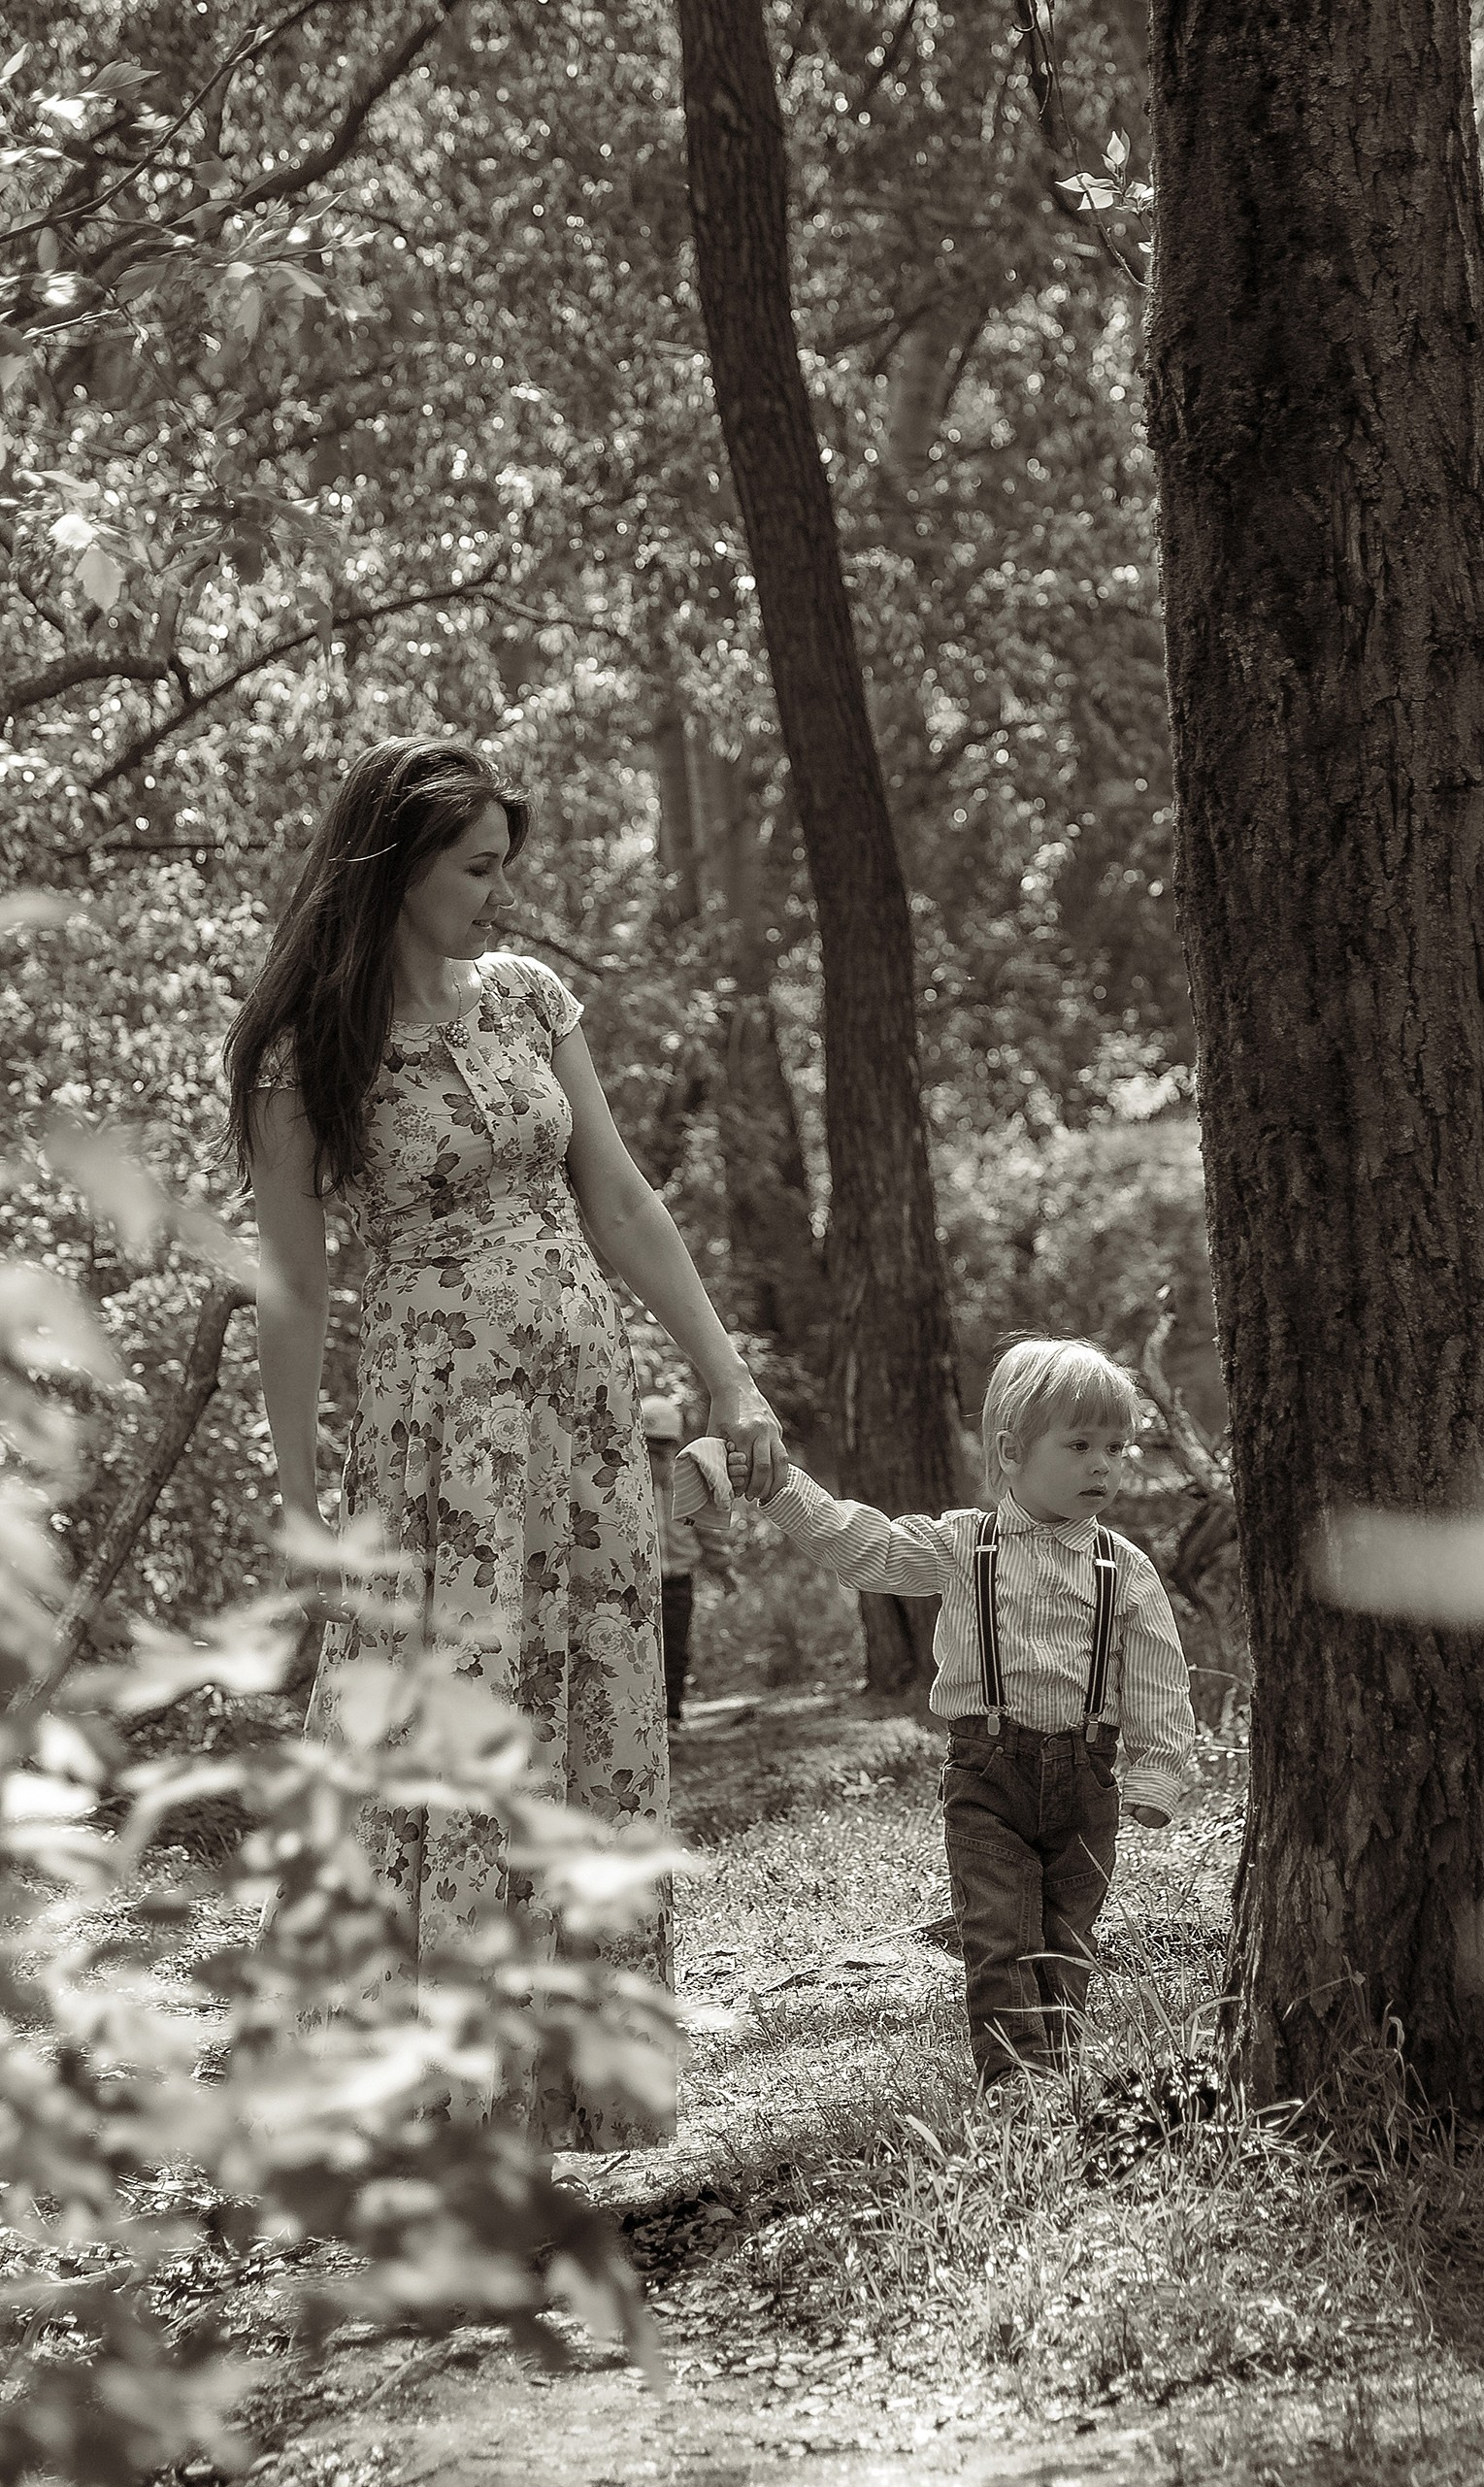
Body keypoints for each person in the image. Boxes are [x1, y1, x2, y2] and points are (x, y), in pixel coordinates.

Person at [223, 738, 785, 2135]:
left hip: (582, 1420)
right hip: (437, 1449)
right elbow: (293, 1293)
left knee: (592, 1708)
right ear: (398, 867)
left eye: (501, 869)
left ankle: (566, 2090)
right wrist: (299, 1503)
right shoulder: (308, 1055)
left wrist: (726, 1378)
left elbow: (621, 1200)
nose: (497, 895)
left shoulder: (530, 999)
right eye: (475, 868)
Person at [680, 1337, 1195, 2087]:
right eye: (1079, 1444)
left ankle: (1062, 2080)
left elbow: (1157, 1675)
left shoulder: (1125, 1566)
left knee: (1067, 1942)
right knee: (998, 1935)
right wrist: (783, 1488)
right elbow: (864, 1546)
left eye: (1117, 1448)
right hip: (989, 1777)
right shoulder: (965, 1544)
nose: (1102, 1466)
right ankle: (1017, 2089)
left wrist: (1158, 1771)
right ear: (1011, 1452)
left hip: (1088, 1783)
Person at [639, 1392, 735, 1726]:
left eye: (663, 1452)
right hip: (640, 1581)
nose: (657, 1462)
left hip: (678, 1580)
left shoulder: (685, 1484)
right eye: (649, 1452)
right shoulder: (624, 1487)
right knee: (640, 1651)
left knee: (675, 1648)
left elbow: (706, 1530)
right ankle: (643, 1718)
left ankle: (671, 1714)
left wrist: (722, 1568)